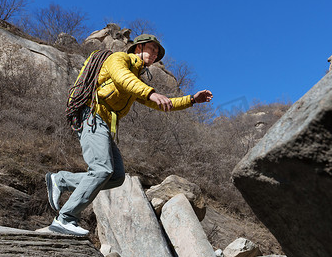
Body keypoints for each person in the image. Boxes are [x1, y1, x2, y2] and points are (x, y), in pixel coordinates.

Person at [46, 34, 213, 236]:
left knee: (116, 177)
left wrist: (192, 100)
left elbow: (160, 103)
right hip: (91, 114)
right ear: (137, 48)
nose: (154, 54)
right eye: (151, 48)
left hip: (104, 124)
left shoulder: (137, 79)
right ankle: (65, 218)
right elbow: (122, 78)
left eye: (157, 52)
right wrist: (151, 92)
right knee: (101, 169)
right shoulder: (118, 59)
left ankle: (61, 180)